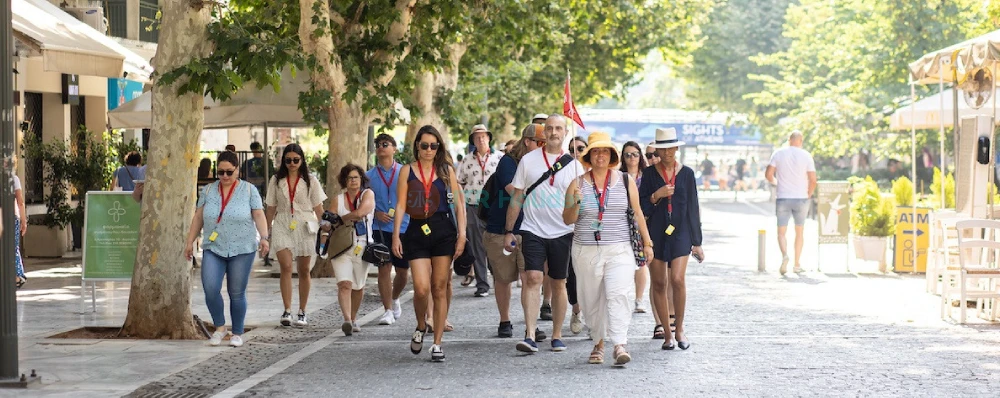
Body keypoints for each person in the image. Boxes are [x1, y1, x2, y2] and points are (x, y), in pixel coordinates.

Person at [564, 132, 655, 366]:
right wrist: (575, 203)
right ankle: (598, 342)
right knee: (592, 299)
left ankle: (619, 344)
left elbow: (637, 214)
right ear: (589, 156)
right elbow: (567, 219)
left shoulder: (625, 181)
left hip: (620, 248)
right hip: (586, 250)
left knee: (619, 294)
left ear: (612, 155)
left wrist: (647, 242)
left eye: (604, 151)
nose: (600, 155)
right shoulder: (577, 183)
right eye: (595, 151)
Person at [504, 114, 585, 353]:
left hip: (563, 231)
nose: (553, 132)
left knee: (559, 283)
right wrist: (509, 230)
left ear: (564, 133)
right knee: (533, 278)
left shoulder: (575, 165)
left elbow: (580, 204)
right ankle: (530, 334)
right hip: (532, 229)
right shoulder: (528, 160)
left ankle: (557, 335)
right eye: (549, 128)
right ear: (543, 133)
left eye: (558, 128)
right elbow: (517, 196)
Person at [392, 125, 467, 362]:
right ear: (417, 146)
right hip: (416, 229)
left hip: (443, 229)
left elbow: (458, 205)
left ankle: (437, 343)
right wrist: (396, 235)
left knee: (439, 286)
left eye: (433, 146)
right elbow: (401, 204)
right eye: (424, 145)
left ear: (439, 147)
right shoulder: (407, 171)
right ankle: (420, 324)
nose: (429, 150)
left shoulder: (446, 170)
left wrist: (462, 234)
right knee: (422, 288)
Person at [184, 151, 270, 347]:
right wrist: (190, 241)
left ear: (237, 170)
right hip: (213, 246)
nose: (224, 177)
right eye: (220, 172)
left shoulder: (249, 190)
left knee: (236, 292)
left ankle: (237, 332)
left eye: (229, 172)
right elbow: (198, 217)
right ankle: (220, 327)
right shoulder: (207, 191)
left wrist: (264, 238)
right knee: (210, 288)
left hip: (242, 247)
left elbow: (258, 214)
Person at [639, 127, 705, 351]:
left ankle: (680, 329)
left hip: (681, 230)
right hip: (656, 230)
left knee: (677, 279)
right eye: (663, 148)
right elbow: (642, 207)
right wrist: (657, 195)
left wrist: (697, 241)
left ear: (676, 148)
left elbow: (693, 208)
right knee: (659, 282)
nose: (667, 152)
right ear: (657, 150)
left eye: (671, 148)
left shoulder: (686, 173)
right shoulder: (649, 174)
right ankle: (667, 333)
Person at [483, 124, 542, 338]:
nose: (543, 147)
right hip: (502, 229)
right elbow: (515, 193)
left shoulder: (542, 163)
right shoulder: (508, 163)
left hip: (530, 229)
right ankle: (504, 320)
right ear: (527, 142)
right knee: (504, 278)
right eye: (540, 142)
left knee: (530, 278)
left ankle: (531, 325)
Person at [265, 143, 327, 327]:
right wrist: (264, 232)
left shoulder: (311, 180)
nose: (292, 163)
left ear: (302, 160)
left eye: (296, 160)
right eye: (288, 160)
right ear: (284, 161)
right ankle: (287, 310)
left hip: (305, 225)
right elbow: (270, 208)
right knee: (285, 266)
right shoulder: (276, 180)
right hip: (283, 223)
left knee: (304, 270)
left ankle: (302, 311)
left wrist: (325, 229)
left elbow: (318, 208)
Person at [325, 163, 375, 336]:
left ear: (361, 179)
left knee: (358, 286)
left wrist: (341, 219)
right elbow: (329, 223)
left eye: (356, 177)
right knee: (344, 284)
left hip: (361, 245)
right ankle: (347, 319)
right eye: (349, 178)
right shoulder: (337, 200)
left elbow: (361, 212)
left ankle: (354, 318)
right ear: (344, 181)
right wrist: (326, 223)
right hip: (341, 247)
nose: (353, 181)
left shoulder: (368, 195)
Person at [367, 134, 411, 326]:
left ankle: (394, 298)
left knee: (403, 273)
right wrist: (376, 213)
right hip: (380, 228)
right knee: (384, 269)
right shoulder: (368, 176)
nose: (380, 148)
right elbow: (363, 201)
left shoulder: (405, 172)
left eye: (385, 144)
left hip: (404, 227)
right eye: (377, 145)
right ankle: (386, 310)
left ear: (394, 149)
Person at [457, 124, 503, 297]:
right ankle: (482, 284)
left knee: (495, 244)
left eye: (483, 136)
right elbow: (458, 182)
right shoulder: (466, 160)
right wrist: (461, 204)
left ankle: (499, 279)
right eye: (477, 137)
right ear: (473, 141)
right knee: (476, 246)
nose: (481, 139)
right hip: (473, 206)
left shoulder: (500, 157)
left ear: (489, 138)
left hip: (494, 207)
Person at [765, 131, 817, 275]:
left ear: (789, 140)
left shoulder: (778, 153)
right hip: (801, 198)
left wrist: (777, 183)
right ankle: (797, 264)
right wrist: (808, 194)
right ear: (801, 141)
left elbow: (768, 175)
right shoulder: (806, 155)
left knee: (781, 232)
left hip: (783, 197)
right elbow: (813, 180)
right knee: (799, 231)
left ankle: (784, 255)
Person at [620, 141, 650, 314]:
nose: (632, 158)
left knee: (641, 262)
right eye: (628, 154)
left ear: (640, 156)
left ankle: (639, 299)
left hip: (642, 222)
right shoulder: (618, 175)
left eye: (635, 154)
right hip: (622, 223)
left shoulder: (646, 176)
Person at [11, 168, 27, 289]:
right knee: (13, 246)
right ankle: (17, 276)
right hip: (12, 216)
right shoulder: (14, 179)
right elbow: (20, 201)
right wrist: (23, 220)